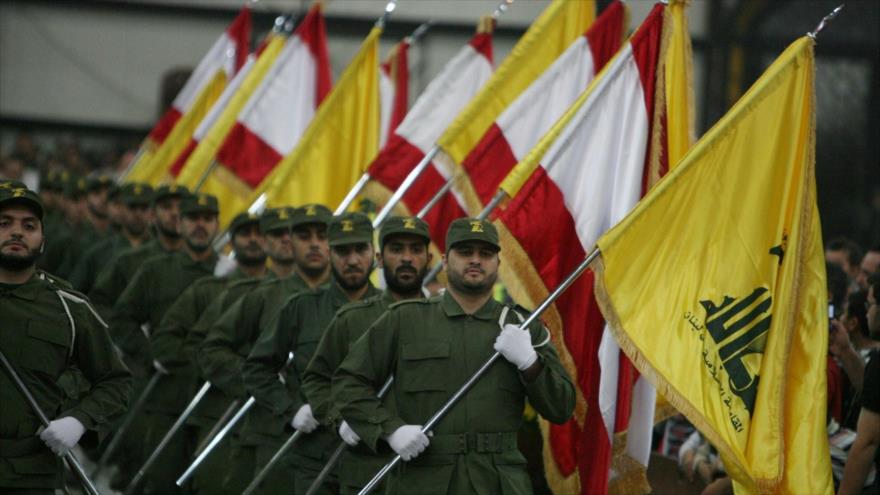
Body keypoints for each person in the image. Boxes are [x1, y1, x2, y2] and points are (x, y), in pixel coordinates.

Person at [333, 217, 576, 495]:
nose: (475, 260)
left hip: (499, 481)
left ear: (498, 263)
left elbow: (561, 408)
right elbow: (348, 383)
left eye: (485, 254)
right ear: (445, 261)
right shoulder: (405, 319)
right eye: (465, 252)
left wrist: (530, 364)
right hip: (425, 479)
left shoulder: (522, 326)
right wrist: (390, 429)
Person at [0, 184, 132, 494]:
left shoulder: (69, 307)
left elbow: (116, 381)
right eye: (4, 223)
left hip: (29, 476)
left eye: (29, 226)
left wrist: (79, 420)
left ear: (43, 239)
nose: (17, 232)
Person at [197, 204, 332, 493]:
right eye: (304, 236)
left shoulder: (356, 303)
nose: (314, 244)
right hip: (272, 436)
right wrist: (264, 384)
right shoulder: (264, 296)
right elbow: (212, 351)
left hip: (336, 442)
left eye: (323, 236)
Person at [244, 212, 381, 495]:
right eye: (342, 251)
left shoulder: (393, 311)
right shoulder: (301, 307)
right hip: (314, 459)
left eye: (360, 249)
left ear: (374, 254)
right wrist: (291, 408)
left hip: (375, 456)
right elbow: (257, 369)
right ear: (330, 254)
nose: (352, 260)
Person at [302, 215, 432, 494]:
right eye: (396, 249)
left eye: (416, 249)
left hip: (432, 471)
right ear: (380, 259)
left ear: (429, 259)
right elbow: (317, 379)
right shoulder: (352, 319)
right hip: (368, 468)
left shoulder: (444, 319)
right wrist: (339, 417)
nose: (406, 258)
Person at [149, 211, 267, 495]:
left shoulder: (287, 295)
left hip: (269, 419)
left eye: (260, 233)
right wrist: (221, 367)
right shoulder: (210, 290)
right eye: (245, 234)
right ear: (232, 241)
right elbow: (171, 343)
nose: (253, 240)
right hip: (216, 411)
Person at [110, 192, 219, 494]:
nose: (200, 225)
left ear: (217, 225)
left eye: (208, 219)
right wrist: (151, 356)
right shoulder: (155, 269)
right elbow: (121, 320)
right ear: (180, 224)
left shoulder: (229, 274)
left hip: (213, 397)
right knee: (161, 480)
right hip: (165, 394)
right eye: (193, 218)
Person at [89, 184, 188, 318]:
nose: (175, 213)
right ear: (153, 214)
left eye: (180, 207)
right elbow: (97, 303)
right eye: (166, 207)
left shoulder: (203, 262)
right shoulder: (128, 260)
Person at [69, 182, 153, 293]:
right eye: (132, 207)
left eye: (144, 208)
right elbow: (74, 292)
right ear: (122, 209)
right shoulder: (99, 253)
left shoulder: (160, 252)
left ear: (152, 212)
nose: (138, 214)